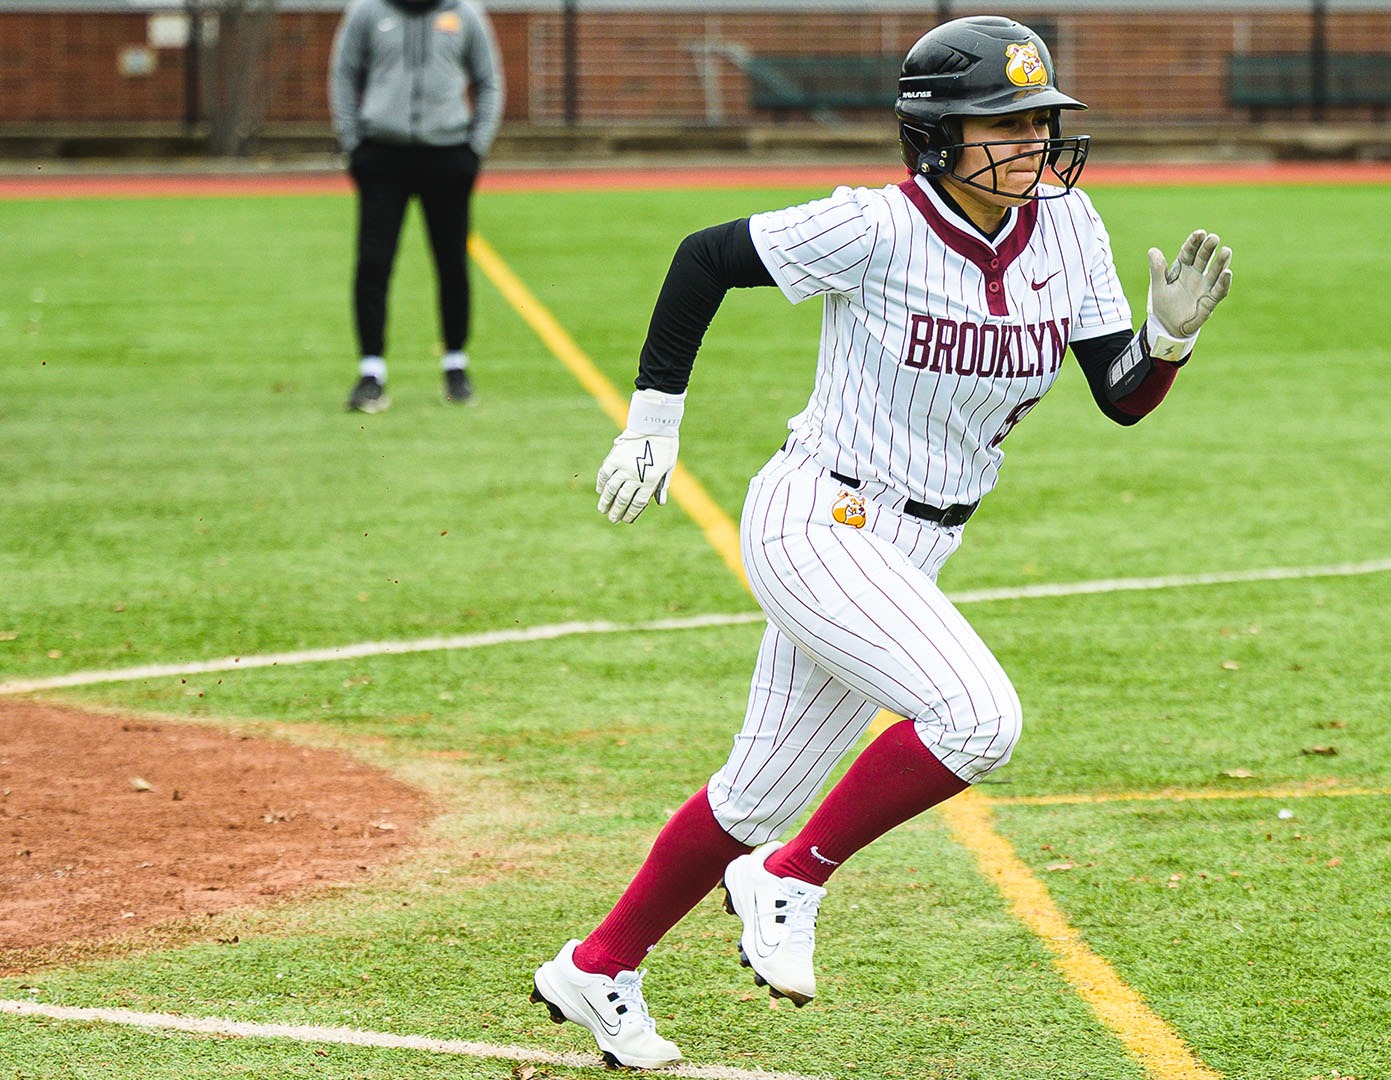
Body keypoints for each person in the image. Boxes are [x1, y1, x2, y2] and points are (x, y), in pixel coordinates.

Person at [529, 15, 1231, 1069]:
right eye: (1008, 123)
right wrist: (652, 423)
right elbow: (702, 259)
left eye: (1043, 120)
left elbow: (1119, 397)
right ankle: (792, 877)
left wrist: (1166, 341)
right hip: (821, 515)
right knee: (978, 718)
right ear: (938, 134)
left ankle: (595, 967)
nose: (1036, 143)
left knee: (751, 795)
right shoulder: (873, 225)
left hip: (917, 546)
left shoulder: (1071, 226)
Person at [327, 0, 503, 413]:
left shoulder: (465, 14)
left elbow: (489, 80)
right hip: (382, 157)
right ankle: (371, 372)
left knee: (451, 263)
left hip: (447, 156)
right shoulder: (367, 13)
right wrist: (354, 144)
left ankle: (456, 365)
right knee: (373, 263)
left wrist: (475, 148)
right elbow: (344, 74)